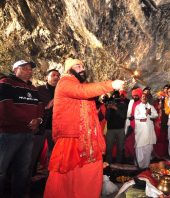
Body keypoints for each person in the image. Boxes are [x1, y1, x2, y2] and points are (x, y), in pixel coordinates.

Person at [44, 58, 124, 198]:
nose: (82, 69)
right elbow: (83, 91)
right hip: (71, 138)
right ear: (69, 69)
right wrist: (110, 84)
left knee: (85, 175)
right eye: (78, 66)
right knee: (69, 177)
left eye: (83, 66)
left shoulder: (79, 84)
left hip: (84, 137)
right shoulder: (65, 82)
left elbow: (86, 97)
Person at [0, 60, 43, 198]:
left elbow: (40, 107)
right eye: (25, 68)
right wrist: (29, 121)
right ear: (15, 69)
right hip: (8, 134)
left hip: (28, 135)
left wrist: (39, 120)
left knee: (22, 171)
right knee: (1, 170)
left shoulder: (34, 89)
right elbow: (5, 107)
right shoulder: (6, 83)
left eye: (30, 69)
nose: (29, 71)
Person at [31, 69, 61, 173]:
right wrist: (47, 107)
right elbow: (32, 107)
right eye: (53, 75)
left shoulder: (62, 91)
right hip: (40, 127)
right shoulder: (39, 90)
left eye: (58, 75)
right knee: (33, 153)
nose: (56, 77)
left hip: (56, 129)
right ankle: (29, 177)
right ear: (46, 77)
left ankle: (50, 179)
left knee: (54, 155)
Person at [134, 93, 158, 168]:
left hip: (149, 131)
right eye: (142, 96)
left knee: (148, 149)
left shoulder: (151, 106)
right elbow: (136, 116)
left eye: (145, 96)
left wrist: (150, 113)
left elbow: (156, 115)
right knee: (140, 148)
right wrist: (145, 113)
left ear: (147, 98)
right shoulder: (137, 107)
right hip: (141, 131)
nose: (144, 98)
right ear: (140, 98)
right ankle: (140, 166)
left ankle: (146, 166)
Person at [105, 91, 128, 164]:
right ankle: (108, 164)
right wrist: (108, 109)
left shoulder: (123, 105)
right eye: (114, 97)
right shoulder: (109, 105)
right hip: (110, 130)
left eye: (116, 96)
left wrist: (115, 108)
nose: (115, 98)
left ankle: (118, 164)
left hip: (120, 129)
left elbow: (123, 116)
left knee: (120, 148)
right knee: (108, 148)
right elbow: (107, 118)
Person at [124, 88, 142, 162]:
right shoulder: (131, 102)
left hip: (138, 126)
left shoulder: (142, 103)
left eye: (136, 95)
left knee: (136, 142)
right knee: (128, 140)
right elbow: (129, 112)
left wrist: (134, 116)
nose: (135, 97)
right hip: (131, 125)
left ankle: (136, 158)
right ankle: (129, 156)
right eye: (133, 95)